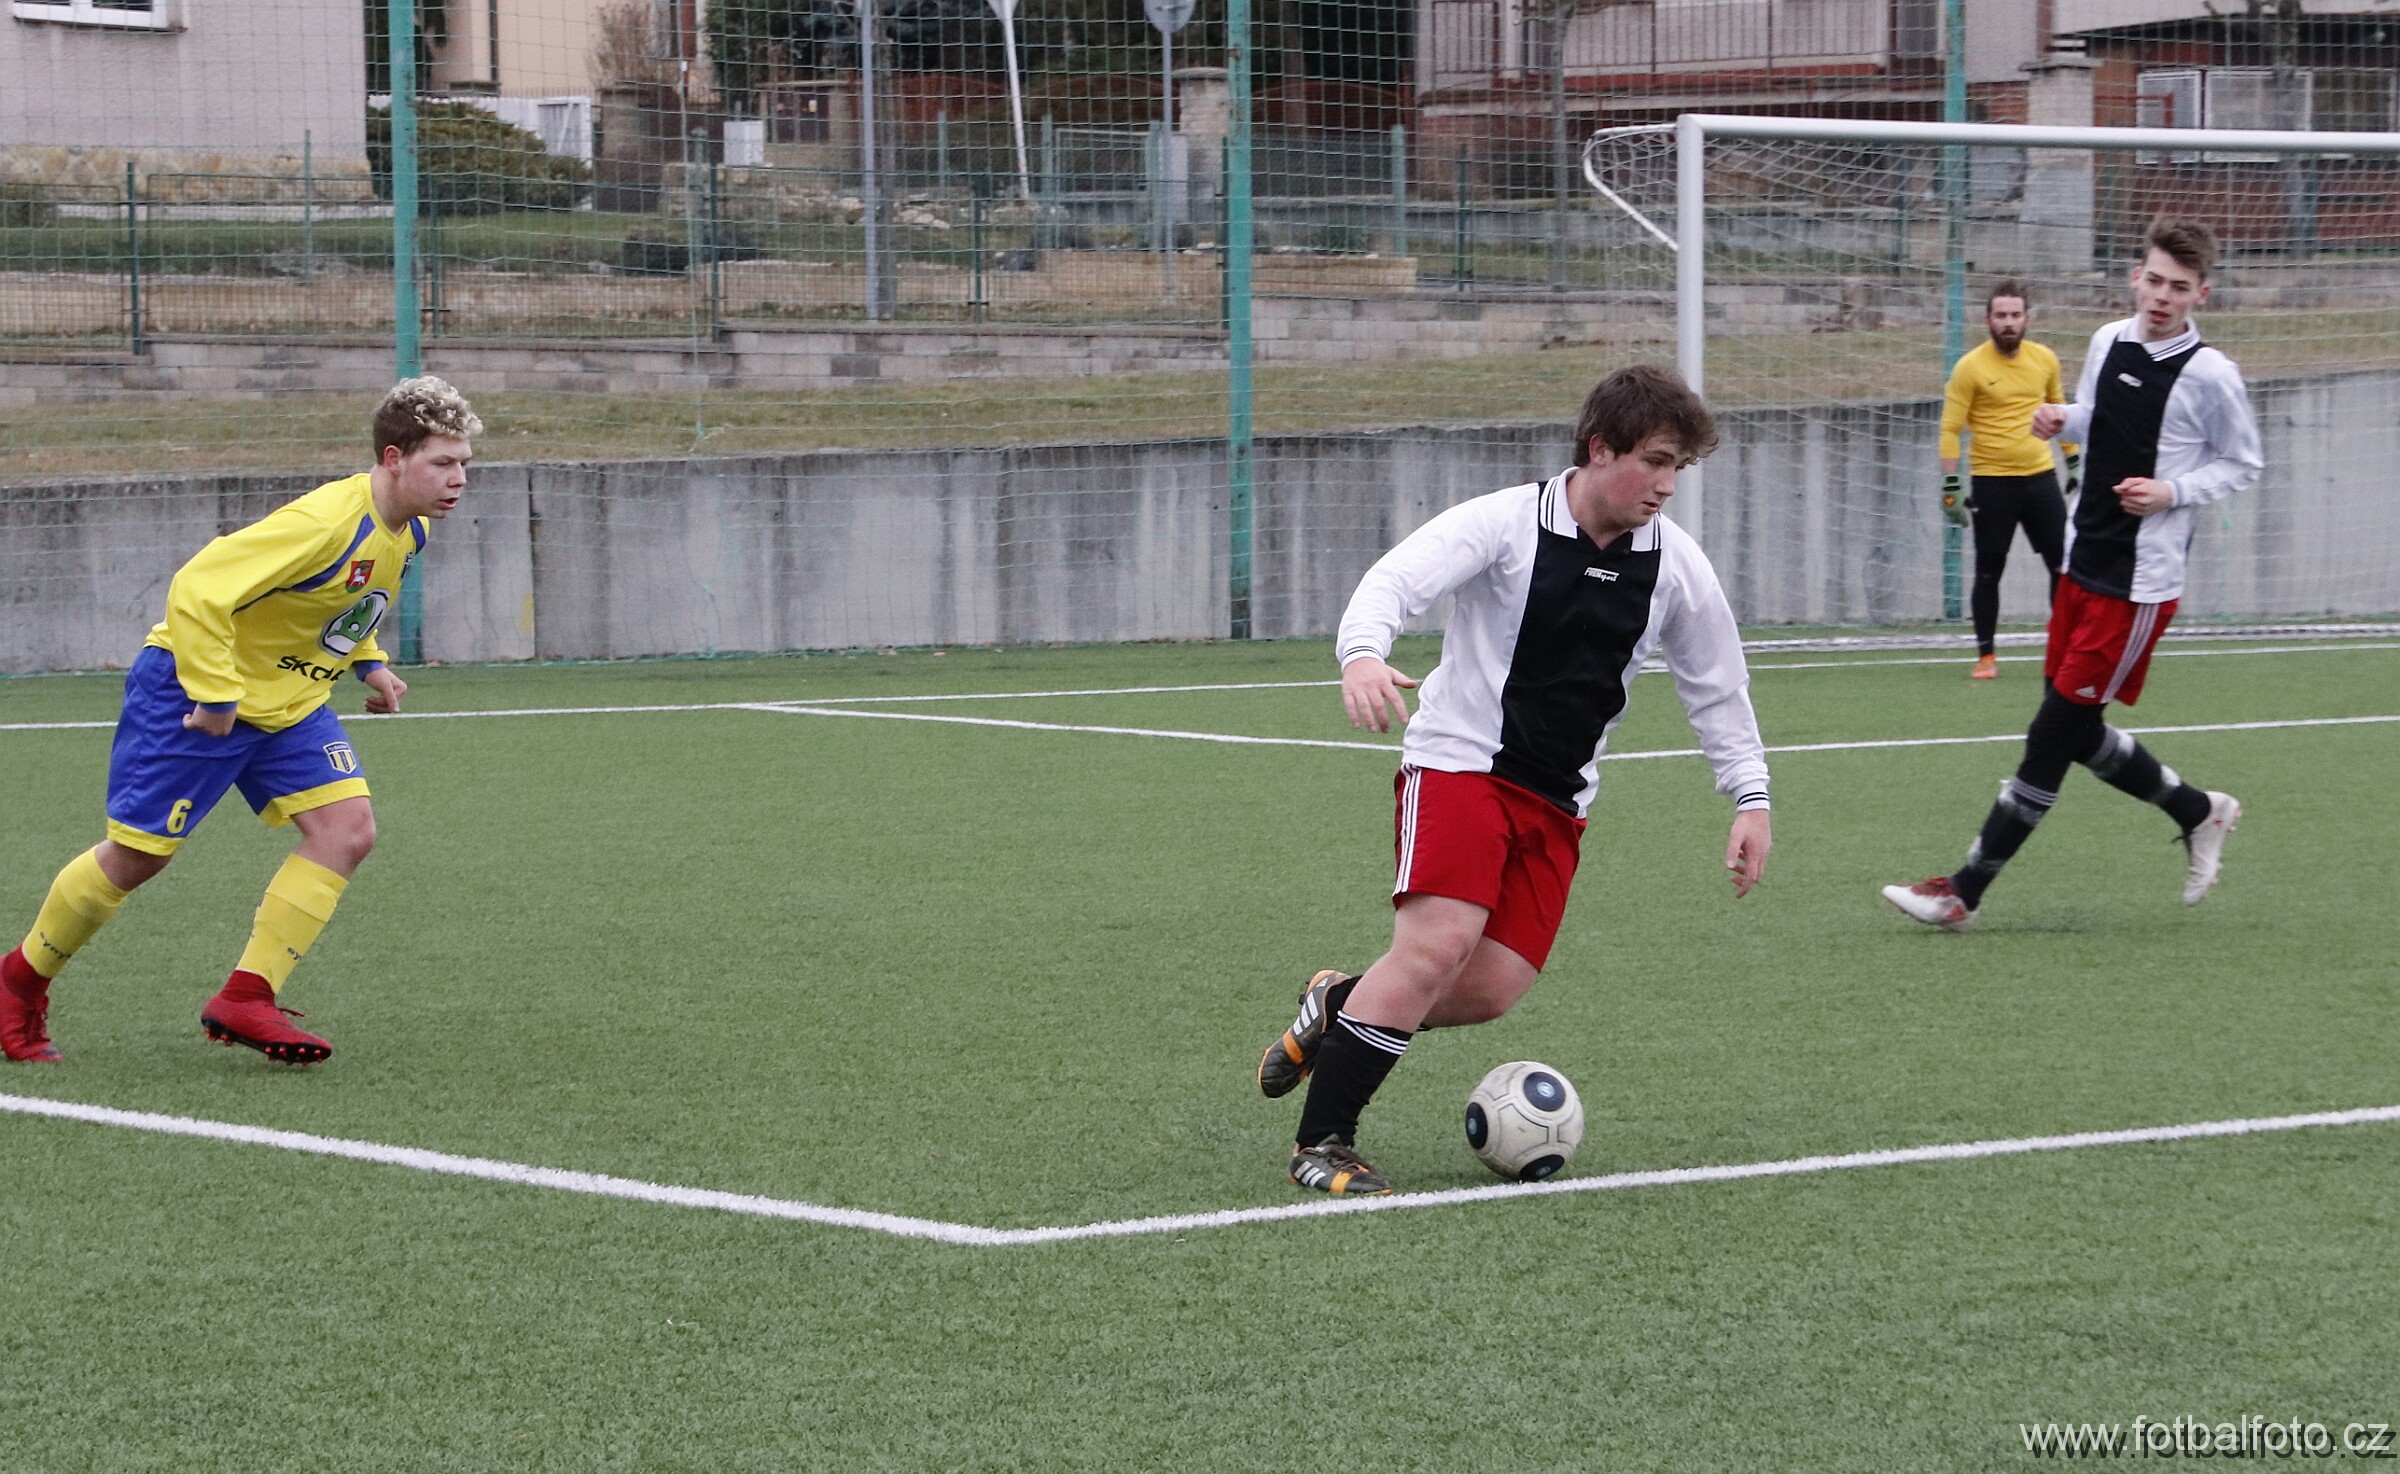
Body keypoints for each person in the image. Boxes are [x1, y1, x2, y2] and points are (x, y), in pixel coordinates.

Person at [1253, 364, 1773, 1196]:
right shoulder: (1505, 523)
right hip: (1460, 765)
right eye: (1655, 461)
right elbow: (1395, 579)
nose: (1668, 485)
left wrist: (1750, 796)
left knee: (1492, 989)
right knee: (1436, 947)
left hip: (1559, 800)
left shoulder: (1676, 565)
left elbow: (1718, 685)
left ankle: (1341, 1004)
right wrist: (1362, 655)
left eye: (1678, 467)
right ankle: (1322, 1142)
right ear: (1599, 449)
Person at [0, 377, 482, 1066]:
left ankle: (247, 997)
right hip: (191, 691)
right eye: (443, 462)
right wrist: (218, 694)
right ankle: (17, 983)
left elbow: (349, 602)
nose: (458, 478)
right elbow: (199, 588)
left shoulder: (413, 528)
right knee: (138, 857)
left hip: (290, 704)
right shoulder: (324, 523)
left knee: (347, 831)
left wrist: (367, 663)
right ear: (393, 458)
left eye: (464, 463)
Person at [1883, 221, 2260, 932]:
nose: (2162, 296)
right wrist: (2063, 419)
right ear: (2136, 277)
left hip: (2138, 584)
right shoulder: (2108, 339)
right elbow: (2102, 417)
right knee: (2074, 728)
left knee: (2052, 731)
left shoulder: (2211, 374)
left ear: (2200, 295)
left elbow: (2243, 462)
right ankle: (2198, 810)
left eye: (2179, 287)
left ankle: (1961, 891)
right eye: (2154, 280)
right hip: (2082, 561)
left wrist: (2172, 492)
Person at [1941, 278, 2080, 679]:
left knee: (2062, 567)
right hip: (1992, 482)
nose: (2008, 322)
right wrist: (1951, 487)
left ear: (2027, 319)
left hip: (2040, 478)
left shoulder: (2045, 359)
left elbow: (2059, 410)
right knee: (1989, 571)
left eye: (2015, 315)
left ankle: (2063, 647)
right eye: (2001, 315)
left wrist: (2073, 462)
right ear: (1988, 320)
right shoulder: (1969, 367)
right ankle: (1986, 656)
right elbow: (1950, 428)